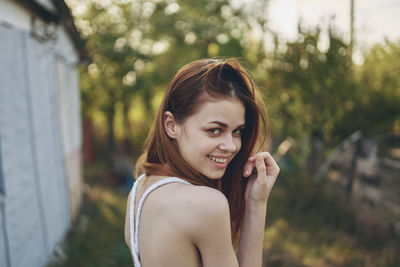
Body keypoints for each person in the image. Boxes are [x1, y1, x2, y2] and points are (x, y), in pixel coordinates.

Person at [124, 58, 280, 267]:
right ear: (171, 125)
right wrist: (257, 206)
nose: (231, 145)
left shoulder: (139, 190)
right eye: (214, 130)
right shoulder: (206, 204)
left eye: (236, 131)